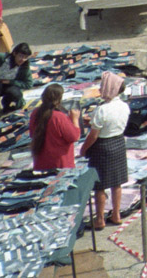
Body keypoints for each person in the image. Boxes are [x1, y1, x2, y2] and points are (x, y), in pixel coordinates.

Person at [82, 71, 131, 229]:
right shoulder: (124, 106)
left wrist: (83, 149)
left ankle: (100, 219)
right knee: (116, 183)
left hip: (102, 147)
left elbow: (94, 135)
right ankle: (116, 214)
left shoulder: (101, 110)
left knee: (100, 185)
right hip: (118, 143)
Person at [28, 83, 81, 171]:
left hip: (41, 162)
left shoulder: (35, 113)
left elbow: (32, 134)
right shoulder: (59, 117)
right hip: (59, 163)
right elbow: (74, 137)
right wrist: (75, 119)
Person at [0, 42, 34, 114]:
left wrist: (11, 82)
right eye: (21, 56)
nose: (23, 59)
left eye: (25, 57)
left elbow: (28, 84)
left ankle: (7, 107)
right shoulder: (0, 58)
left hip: (6, 85)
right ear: (14, 53)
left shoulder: (24, 67)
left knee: (15, 93)